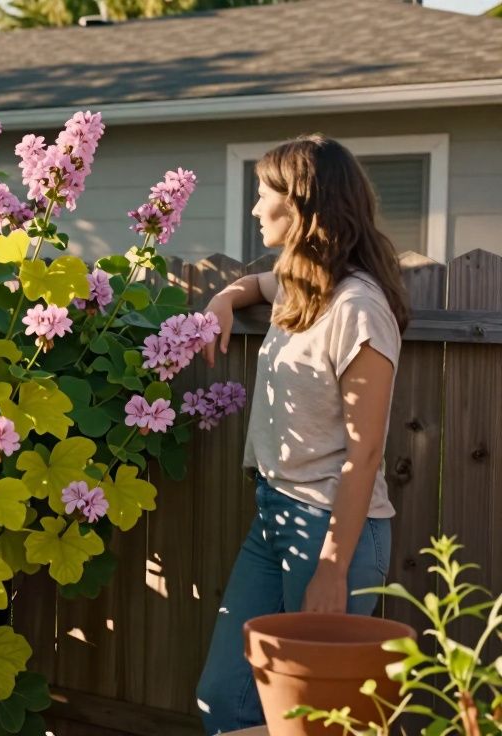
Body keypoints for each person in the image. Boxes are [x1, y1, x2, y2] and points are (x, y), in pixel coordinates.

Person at [195, 135, 409, 733]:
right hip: (274, 515)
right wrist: (223, 297)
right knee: (225, 701)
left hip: (331, 531)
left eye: (265, 196)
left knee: (316, 721)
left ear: (304, 207)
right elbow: (258, 286)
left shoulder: (357, 308)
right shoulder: (302, 285)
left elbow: (365, 452)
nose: (255, 208)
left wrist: (333, 570)